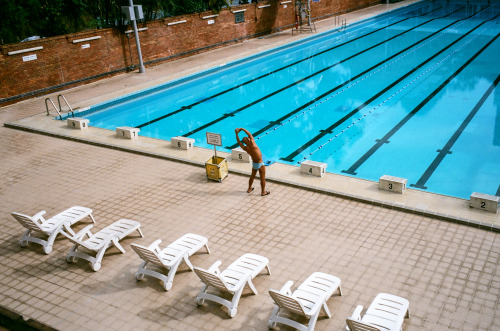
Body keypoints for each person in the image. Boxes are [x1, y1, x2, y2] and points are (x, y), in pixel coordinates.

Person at [235, 128, 270, 196]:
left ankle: (249, 188)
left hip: (254, 164)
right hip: (260, 163)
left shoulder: (245, 148)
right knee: (262, 178)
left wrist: (236, 134)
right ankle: (263, 191)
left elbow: (239, 142)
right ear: (248, 140)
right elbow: (249, 134)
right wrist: (242, 129)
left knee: (252, 177)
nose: (249, 138)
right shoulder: (253, 143)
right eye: (248, 138)